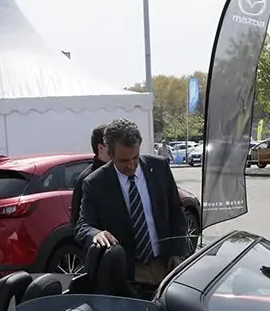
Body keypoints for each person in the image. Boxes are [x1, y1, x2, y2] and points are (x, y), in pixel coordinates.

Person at [76, 118, 187, 286]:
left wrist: (176, 252)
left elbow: (175, 211)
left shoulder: (159, 168)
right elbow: (83, 226)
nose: (131, 165)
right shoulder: (95, 183)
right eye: (124, 161)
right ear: (110, 155)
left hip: (165, 266)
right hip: (128, 274)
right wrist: (96, 234)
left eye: (135, 157)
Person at [71, 123, 109, 228]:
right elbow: (77, 222)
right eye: (112, 145)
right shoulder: (88, 179)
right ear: (101, 147)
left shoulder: (119, 171)